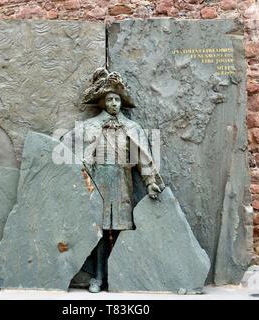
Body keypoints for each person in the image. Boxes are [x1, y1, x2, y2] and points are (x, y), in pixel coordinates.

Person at [64, 68, 163, 293]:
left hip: (122, 180)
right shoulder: (89, 127)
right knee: (98, 229)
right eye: (109, 99)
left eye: (117, 99)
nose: (114, 103)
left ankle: (119, 273)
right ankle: (98, 276)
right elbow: (70, 152)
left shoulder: (132, 128)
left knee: (120, 228)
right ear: (102, 103)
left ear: (122, 103)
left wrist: (150, 182)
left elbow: (144, 159)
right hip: (98, 182)